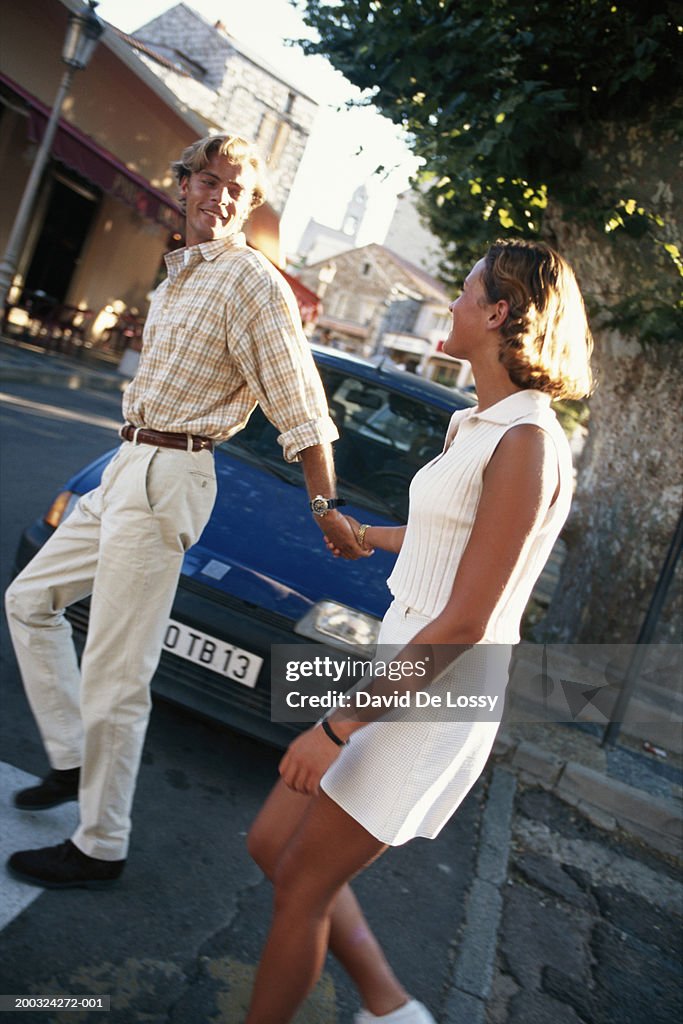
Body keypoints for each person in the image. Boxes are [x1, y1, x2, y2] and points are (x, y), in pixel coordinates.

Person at [244, 239, 594, 1024]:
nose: (452, 303)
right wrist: (369, 534)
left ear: (499, 314)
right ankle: (389, 1005)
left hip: (437, 692)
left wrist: (337, 725)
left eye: (465, 292)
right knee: (274, 844)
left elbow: (468, 617)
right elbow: (454, 536)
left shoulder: (526, 443)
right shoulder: (477, 422)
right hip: (401, 663)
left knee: (300, 884)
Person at [5, 133, 365, 890]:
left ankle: (100, 843)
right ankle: (74, 760)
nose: (223, 197)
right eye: (211, 180)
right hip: (129, 464)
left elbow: (300, 407)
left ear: (248, 203)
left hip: (172, 471)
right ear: (185, 182)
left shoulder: (249, 282)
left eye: (238, 189)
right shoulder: (178, 278)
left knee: (116, 671)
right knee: (30, 601)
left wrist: (326, 506)